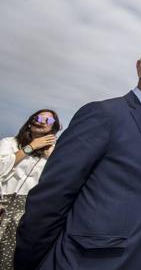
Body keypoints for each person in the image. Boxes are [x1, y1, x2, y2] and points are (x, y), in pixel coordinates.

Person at [15, 39, 141, 270]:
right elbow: (53, 194)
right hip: (88, 260)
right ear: (140, 67)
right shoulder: (103, 114)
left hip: (140, 255)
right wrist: (31, 260)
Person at [0, 109, 60, 269]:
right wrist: (30, 147)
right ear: (30, 122)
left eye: (48, 121)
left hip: (26, 210)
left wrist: (51, 158)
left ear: (54, 128)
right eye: (39, 118)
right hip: (3, 202)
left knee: (10, 256)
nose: (42, 121)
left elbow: (57, 183)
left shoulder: (55, 153)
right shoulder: (9, 143)